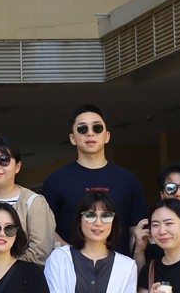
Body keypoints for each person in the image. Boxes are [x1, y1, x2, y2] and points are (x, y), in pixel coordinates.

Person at [40, 105, 146, 248]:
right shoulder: (56, 181)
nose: (90, 133)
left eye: (97, 128)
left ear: (107, 136)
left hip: (120, 261)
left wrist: (136, 257)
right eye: (82, 129)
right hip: (70, 261)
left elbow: (136, 230)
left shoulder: (128, 180)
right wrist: (71, 256)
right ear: (72, 138)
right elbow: (47, 229)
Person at [0, 137, 57, 265]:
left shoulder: (34, 203)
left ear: (17, 166)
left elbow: (40, 253)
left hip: (21, 276)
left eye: (4, 160)